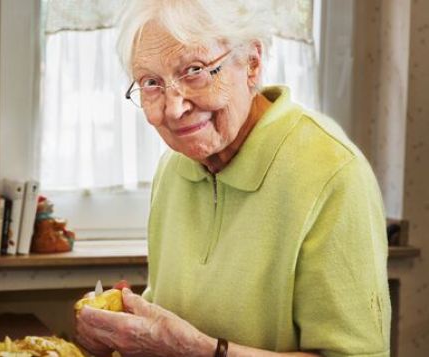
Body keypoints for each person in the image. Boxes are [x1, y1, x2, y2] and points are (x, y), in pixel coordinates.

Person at [74, 1, 391, 356]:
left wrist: (202, 351)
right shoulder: (173, 168)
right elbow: (167, 320)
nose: (174, 108)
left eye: (194, 70)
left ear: (252, 64)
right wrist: (122, 329)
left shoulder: (333, 173)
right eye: (151, 83)